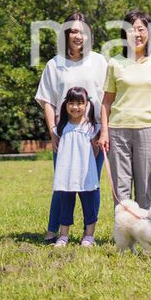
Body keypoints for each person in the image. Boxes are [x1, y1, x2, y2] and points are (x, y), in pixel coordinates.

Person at [35, 12, 107, 244]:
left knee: (90, 185)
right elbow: (47, 100)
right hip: (64, 134)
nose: (78, 35)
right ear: (66, 34)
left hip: (92, 134)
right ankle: (54, 230)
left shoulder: (99, 62)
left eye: (82, 31)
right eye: (73, 31)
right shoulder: (55, 64)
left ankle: (89, 234)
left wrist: (103, 132)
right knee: (63, 183)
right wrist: (52, 130)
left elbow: (107, 99)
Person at [98, 10, 151, 210]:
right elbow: (106, 102)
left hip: (148, 130)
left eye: (141, 29)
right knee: (121, 188)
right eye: (131, 30)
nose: (137, 34)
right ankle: (124, 235)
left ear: (149, 32)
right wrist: (104, 132)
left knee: (144, 187)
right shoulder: (114, 63)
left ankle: (143, 233)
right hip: (118, 131)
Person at [51, 87, 101, 247]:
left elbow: (95, 150)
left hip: (86, 173)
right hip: (66, 175)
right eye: (71, 103)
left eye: (80, 103)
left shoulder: (91, 127)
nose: (75, 107)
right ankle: (63, 235)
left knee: (89, 205)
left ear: (87, 105)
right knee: (66, 204)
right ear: (65, 105)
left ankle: (89, 236)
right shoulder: (61, 127)